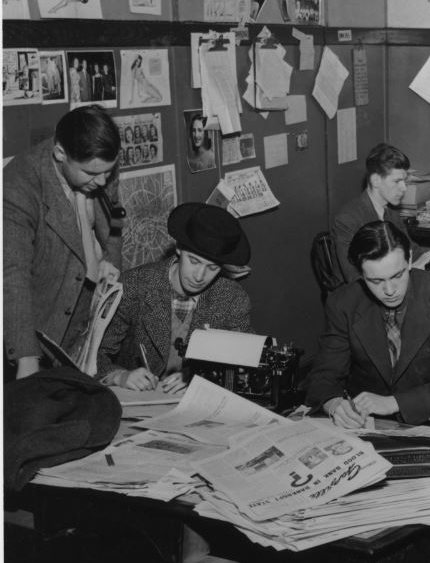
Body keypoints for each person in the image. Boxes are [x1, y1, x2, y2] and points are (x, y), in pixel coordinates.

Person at [306, 220, 430, 426]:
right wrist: (334, 404)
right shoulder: (343, 303)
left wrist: (395, 403)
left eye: (397, 276)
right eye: (376, 281)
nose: (390, 290)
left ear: (409, 260)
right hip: (364, 424)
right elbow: (323, 377)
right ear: (361, 274)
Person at [4, 105, 123, 380]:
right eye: (92, 174)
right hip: (36, 325)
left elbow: (116, 217)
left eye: (109, 171)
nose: (104, 180)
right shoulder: (16, 187)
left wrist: (110, 262)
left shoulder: (100, 161)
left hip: (84, 323)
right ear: (60, 154)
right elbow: (12, 276)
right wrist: (26, 358)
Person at [96, 203, 253, 393]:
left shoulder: (232, 298)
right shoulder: (135, 285)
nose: (199, 276)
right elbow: (97, 352)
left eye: (212, 268)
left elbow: (244, 362)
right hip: (138, 401)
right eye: (194, 261)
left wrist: (203, 377)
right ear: (179, 248)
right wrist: (120, 376)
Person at [331, 143, 430, 284]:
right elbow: (355, 278)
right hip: (360, 299)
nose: (404, 188)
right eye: (397, 181)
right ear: (376, 180)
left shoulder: (391, 214)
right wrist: (410, 269)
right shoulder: (348, 220)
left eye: (404, 181)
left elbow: (411, 250)